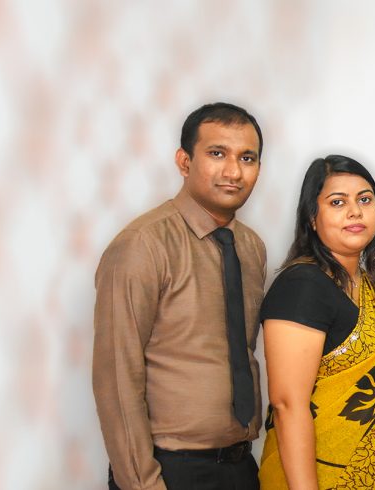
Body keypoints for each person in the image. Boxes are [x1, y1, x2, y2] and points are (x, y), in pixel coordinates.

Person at [94, 102, 266, 490]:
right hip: (170, 470)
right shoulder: (143, 245)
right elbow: (116, 377)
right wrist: (143, 483)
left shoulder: (251, 248)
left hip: (240, 466)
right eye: (217, 154)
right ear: (184, 162)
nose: (233, 171)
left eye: (247, 158)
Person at [258, 155, 375, 488]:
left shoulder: (370, 286)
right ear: (312, 217)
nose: (355, 211)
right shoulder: (302, 286)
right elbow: (287, 404)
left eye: (364, 200)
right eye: (338, 202)